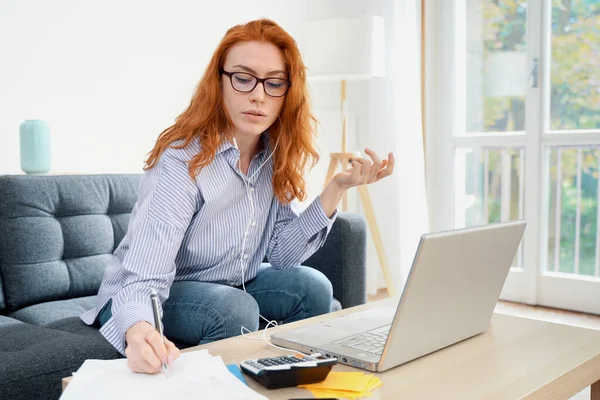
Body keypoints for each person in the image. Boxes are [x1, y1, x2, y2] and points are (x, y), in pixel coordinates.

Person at [80, 18, 395, 374]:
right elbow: (145, 274)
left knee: (313, 287)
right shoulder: (183, 159)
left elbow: (282, 253)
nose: (258, 95)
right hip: (150, 291)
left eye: (274, 83)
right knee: (233, 307)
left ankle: (299, 383)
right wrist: (137, 329)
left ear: (286, 95)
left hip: (227, 284)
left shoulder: (272, 157)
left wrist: (336, 188)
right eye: (243, 79)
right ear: (220, 83)